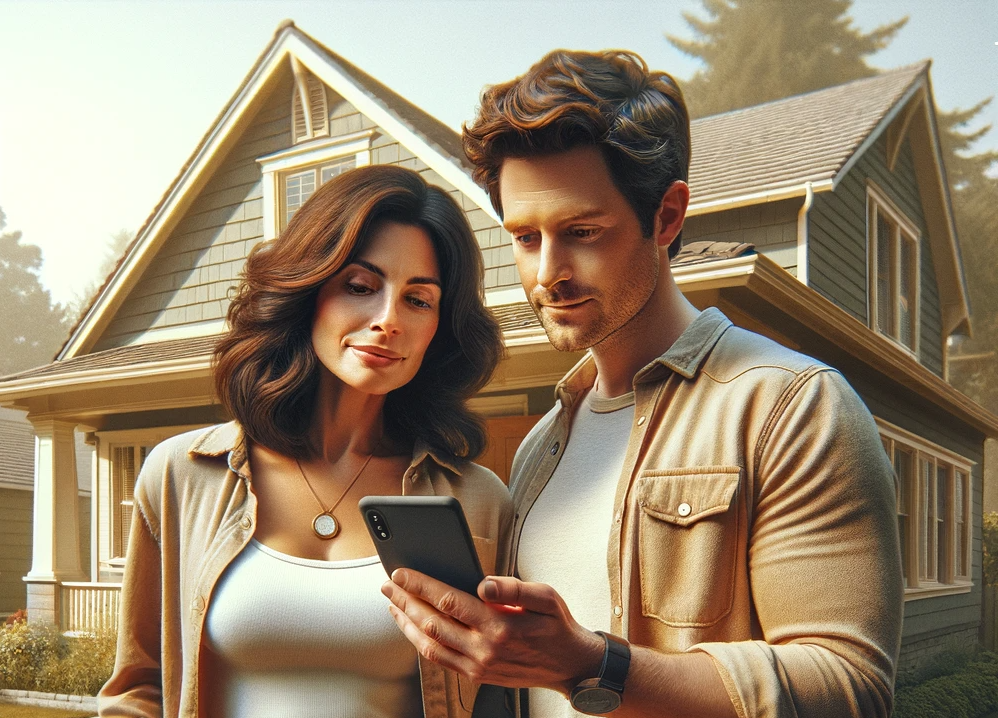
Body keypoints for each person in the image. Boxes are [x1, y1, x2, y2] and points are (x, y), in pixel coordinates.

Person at [381, 50, 904, 718]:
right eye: (525, 236)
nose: (549, 273)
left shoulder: (789, 407)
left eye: (581, 231)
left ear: (667, 215)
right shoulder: (542, 447)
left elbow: (850, 689)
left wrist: (597, 668)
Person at [99, 164, 513, 718]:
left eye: (419, 300)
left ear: (439, 327)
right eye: (361, 287)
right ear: (308, 293)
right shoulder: (181, 474)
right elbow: (137, 691)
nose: (387, 319)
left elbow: (496, 699)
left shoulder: (478, 503)